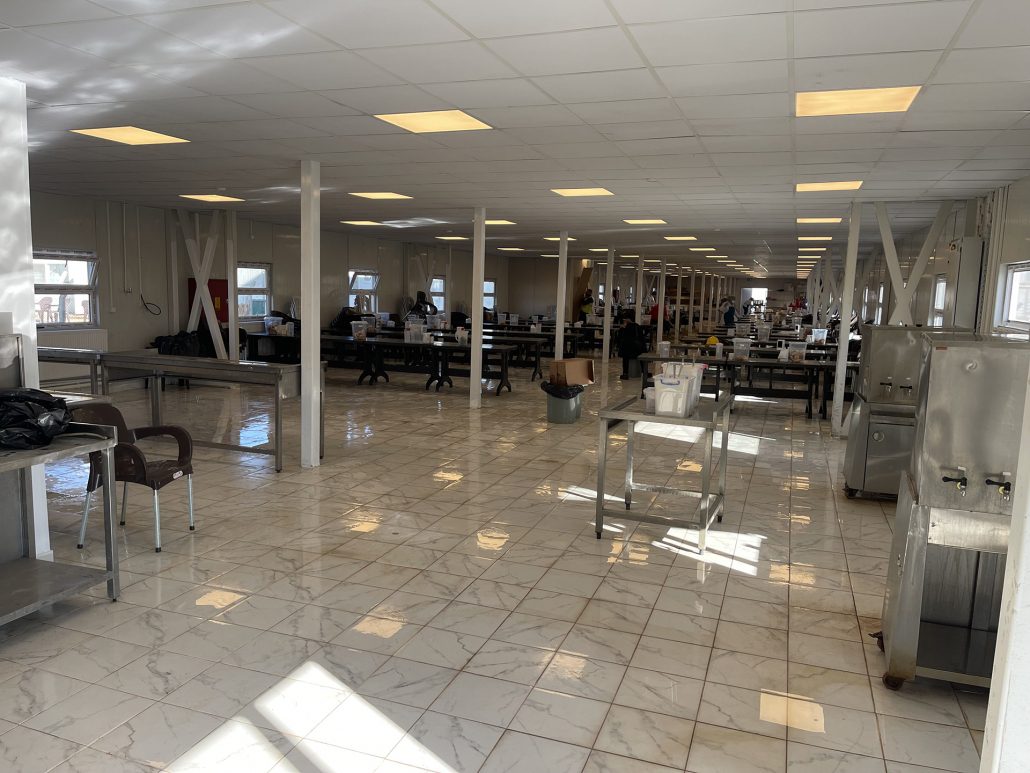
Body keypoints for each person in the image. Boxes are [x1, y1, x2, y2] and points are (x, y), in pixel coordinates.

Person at [616, 312, 646, 380]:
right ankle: (644, 371)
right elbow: (642, 339)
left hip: (627, 351)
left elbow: (619, 338)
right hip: (638, 350)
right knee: (642, 357)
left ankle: (625, 373)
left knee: (625, 357)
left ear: (627, 319)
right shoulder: (637, 326)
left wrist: (621, 329)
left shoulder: (625, 328)